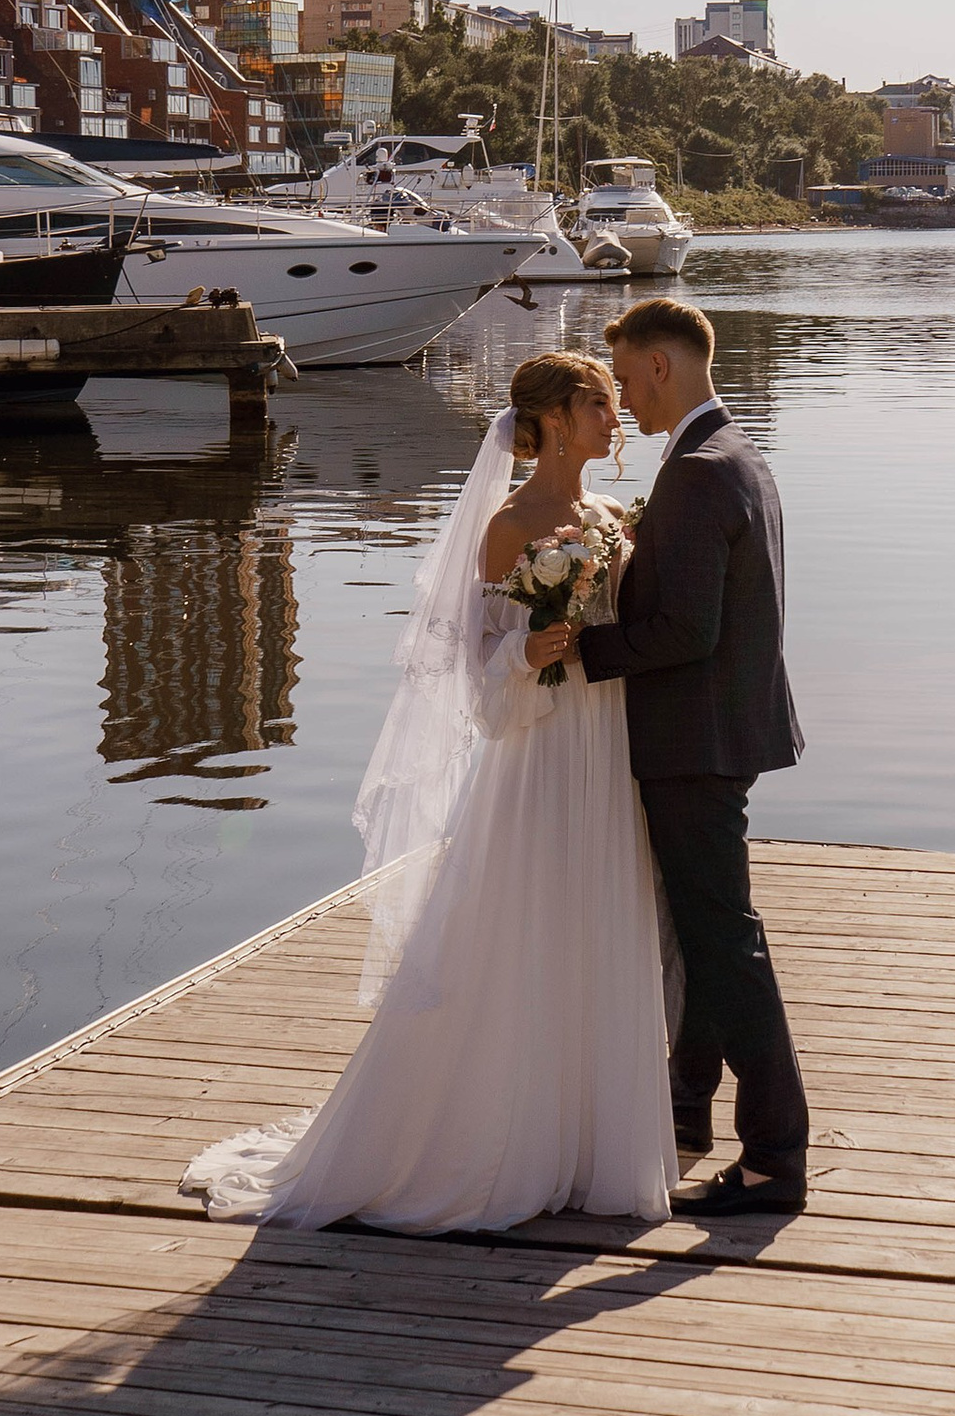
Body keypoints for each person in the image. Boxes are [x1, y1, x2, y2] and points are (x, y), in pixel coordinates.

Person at [180, 349, 676, 1231]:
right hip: (543, 750)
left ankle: (594, 1143)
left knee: (601, 915)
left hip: (611, 743)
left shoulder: (608, 516)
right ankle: (504, 1137)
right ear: (559, 415)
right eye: (602, 404)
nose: (617, 418)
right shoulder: (506, 525)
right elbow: (475, 682)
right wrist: (528, 651)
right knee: (528, 924)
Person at [527, 293, 808, 1216]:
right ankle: (687, 1110)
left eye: (631, 387)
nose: (628, 414)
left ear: (659, 366)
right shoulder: (738, 455)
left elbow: (686, 629)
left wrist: (582, 650)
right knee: (700, 934)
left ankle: (773, 1157)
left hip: (693, 739)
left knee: (725, 942)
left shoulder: (696, 472)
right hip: (725, 728)